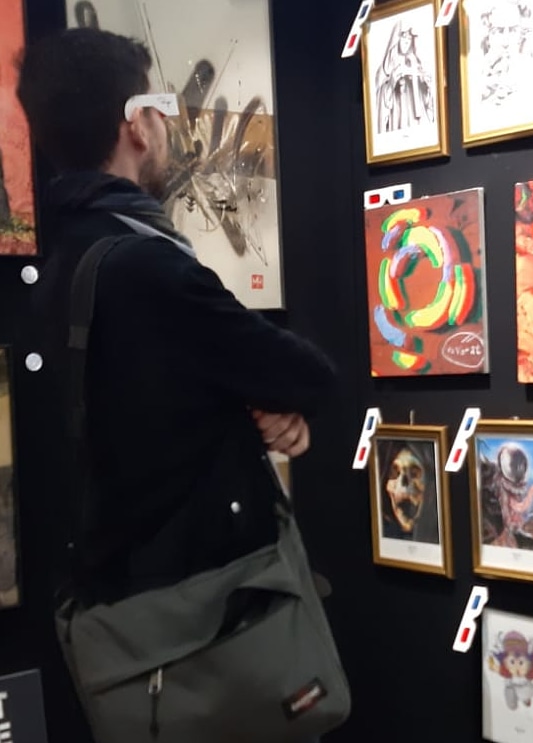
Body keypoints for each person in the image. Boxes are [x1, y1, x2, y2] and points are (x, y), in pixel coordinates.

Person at [16, 23, 337, 722]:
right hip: (208, 620)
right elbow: (307, 374)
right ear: (136, 124)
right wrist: (270, 398)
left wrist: (246, 398)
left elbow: (150, 403)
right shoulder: (148, 265)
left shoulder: (57, 266)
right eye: (159, 106)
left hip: (122, 618)